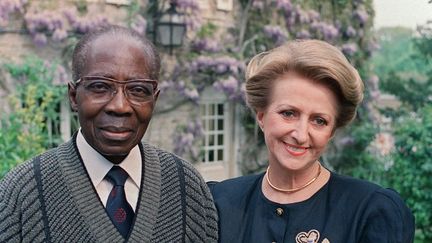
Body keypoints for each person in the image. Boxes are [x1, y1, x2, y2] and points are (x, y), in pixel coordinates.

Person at [0, 25, 218, 242]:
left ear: (154, 99)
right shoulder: (21, 195)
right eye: (100, 87)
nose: (120, 106)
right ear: (74, 96)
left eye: (138, 90)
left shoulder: (188, 188)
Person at [208, 40, 414, 243]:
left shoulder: (372, 211)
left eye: (319, 121)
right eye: (288, 113)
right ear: (261, 116)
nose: (301, 135)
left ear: (332, 131)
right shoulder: (218, 203)